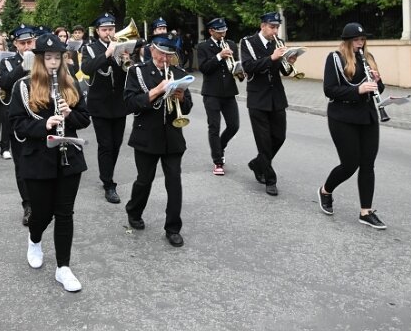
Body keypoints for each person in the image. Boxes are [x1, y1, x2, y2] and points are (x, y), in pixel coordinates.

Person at [9, 33, 91, 292]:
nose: (53, 63)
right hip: (37, 159)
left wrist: (70, 114)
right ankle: (34, 240)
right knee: (42, 213)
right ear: (39, 60)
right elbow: (17, 124)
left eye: (57, 58)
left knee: (65, 213)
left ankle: (63, 268)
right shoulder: (23, 86)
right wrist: (44, 124)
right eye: (48, 58)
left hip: (69, 157)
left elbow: (84, 119)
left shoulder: (71, 83)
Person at [124, 34, 192, 247]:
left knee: (174, 183)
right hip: (146, 135)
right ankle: (133, 211)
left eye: (169, 54)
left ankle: (173, 228)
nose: (165, 58)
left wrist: (181, 98)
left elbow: (188, 107)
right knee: (145, 180)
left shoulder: (179, 73)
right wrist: (157, 91)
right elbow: (130, 103)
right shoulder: (137, 72)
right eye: (162, 53)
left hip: (173, 137)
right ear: (151, 50)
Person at [319, 22, 387, 230]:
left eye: (363, 39)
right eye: (357, 40)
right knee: (350, 164)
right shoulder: (335, 58)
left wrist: (378, 80)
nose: (361, 43)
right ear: (347, 41)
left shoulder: (368, 58)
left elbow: (378, 89)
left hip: (367, 116)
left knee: (368, 163)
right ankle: (325, 190)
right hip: (342, 116)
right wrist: (357, 90)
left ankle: (366, 211)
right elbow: (329, 90)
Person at [239, 12, 298, 196]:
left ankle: (258, 164)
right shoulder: (248, 42)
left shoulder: (277, 43)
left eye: (277, 27)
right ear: (263, 26)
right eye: (272, 27)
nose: (275, 31)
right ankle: (269, 179)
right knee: (264, 142)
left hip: (277, 97)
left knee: (279, 137)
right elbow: (248, 67)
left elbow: (284, 71)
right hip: (258, 98)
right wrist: (271, 58)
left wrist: (288, 61)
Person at [80, 12, 129, 204]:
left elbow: (128, 72)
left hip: (119, 103)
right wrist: (108, 53)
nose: (108, 32)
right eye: (104, 29)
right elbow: (86, 69)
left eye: (111, 29)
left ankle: (107, 174)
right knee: (106, 145)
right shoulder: (90, 48)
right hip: (99, 104)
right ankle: (108, 183)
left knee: (116, 144)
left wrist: (126, 58)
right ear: (98, 31)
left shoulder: (122, 45)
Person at [0, 25, 37, 225]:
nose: (27, 46)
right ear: (15, 44)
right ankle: (28, 204)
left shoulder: (43, 58)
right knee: (22, 164)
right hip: (19, 119)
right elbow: (4, 82)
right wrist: (23, 66)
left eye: (29, 42)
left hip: (40, 118)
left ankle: (42, 201)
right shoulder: (8, 61)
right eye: (22, 43)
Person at [196, 18, 240, 176]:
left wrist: (240, 70)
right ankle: (218, 160)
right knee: (214, 127)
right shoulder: (203, 47)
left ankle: (219, 146)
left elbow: (235, 66)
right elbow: (204, 68)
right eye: (219, 31)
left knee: (234, 125)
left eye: (224, 31)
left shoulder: (232, 44)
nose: (223, 34)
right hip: (211, 93)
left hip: (229, 92)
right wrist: (219, 56)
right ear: (211, 31)